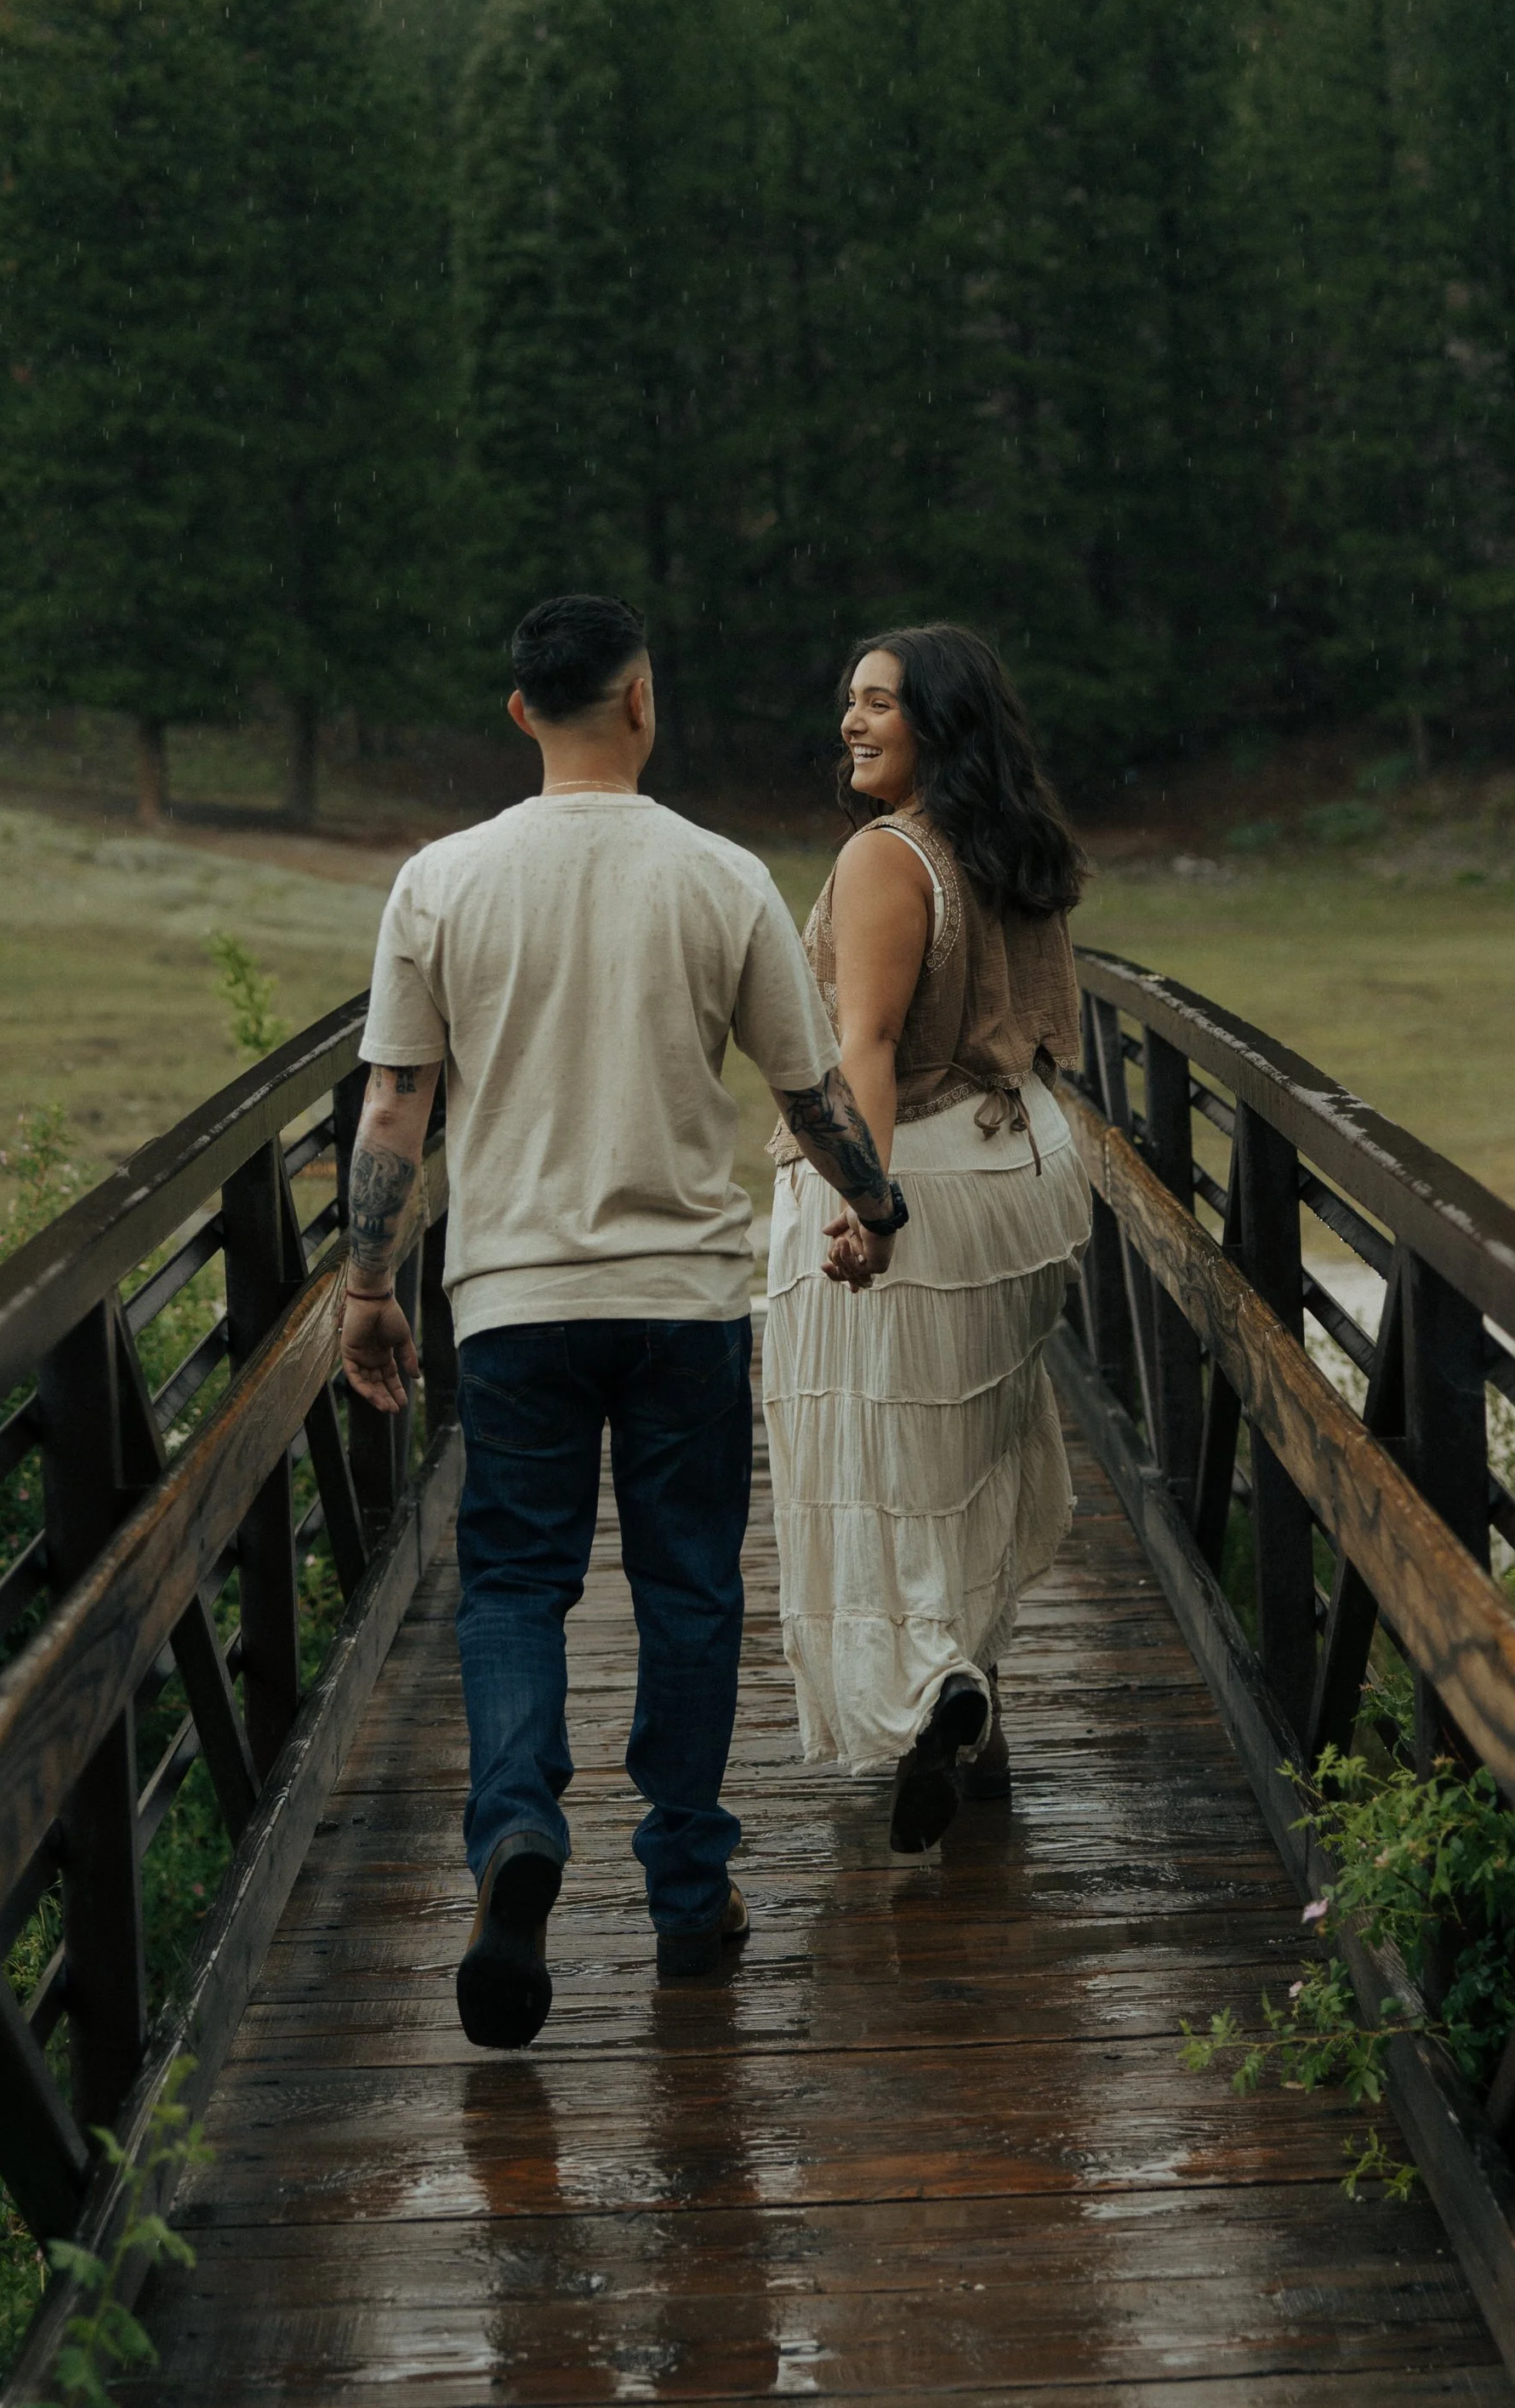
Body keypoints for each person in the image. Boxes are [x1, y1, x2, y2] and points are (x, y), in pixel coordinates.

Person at [338, 594, 907, 2052]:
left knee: (514, 1586)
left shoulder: (439, 880)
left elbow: (395, 1107)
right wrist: (876, 1205)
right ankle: (688, 1895)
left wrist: (368, 1285)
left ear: (520, 712)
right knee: (688, 1590)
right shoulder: (721, 876)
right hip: (683, 1303)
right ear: (642, 701)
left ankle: (517, 1830)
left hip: (514, 1301)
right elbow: (808, 1093)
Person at [763, 622, 1092, 1855]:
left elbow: (871, 1046)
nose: (852, 722)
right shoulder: (1012, 846)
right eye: (850, 699)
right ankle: (976, 1723)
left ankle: (934, 1688)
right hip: (1025, 1173)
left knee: (883, 1464)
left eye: (880, 703)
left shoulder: (887, 856)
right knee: (971, 1456)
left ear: (937, 723)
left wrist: (866, 1203)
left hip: (924, 1182)